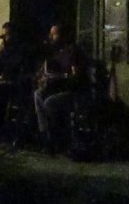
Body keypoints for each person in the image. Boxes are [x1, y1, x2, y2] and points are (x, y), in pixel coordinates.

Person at [33, 23, 88, 154]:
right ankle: (45, 135)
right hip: (59, 89)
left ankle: (58, 139)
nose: (51, 37)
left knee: (49, 102)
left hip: (73, 92)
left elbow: (75, 77)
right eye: (50, 34)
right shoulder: (56, 53)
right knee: (38, 95)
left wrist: (57, 78)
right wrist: (42, 77)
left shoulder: (72, 51)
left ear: (63, 36)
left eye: (54, 34)